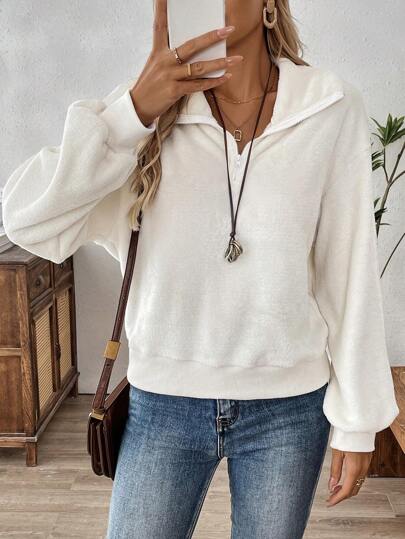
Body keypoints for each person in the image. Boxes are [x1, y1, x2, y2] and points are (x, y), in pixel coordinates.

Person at [2, 1, 399, 538]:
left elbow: (348, 271)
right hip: (163, 403)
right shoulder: (147, 113)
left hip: (288, 409)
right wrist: (132, 113)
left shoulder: (329, 106)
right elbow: (27, 222)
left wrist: (358, 422)